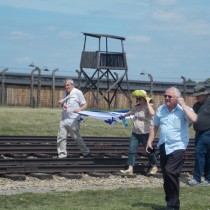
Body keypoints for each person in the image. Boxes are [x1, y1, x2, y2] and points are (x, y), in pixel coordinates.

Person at [146, 87, 197, 210]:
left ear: (177, 98)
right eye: (165, 96)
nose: (167, 98)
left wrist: (183, 104)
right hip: (164, 145)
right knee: (167, 175)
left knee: (170, 172)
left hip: (178, 146)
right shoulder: (161, 109)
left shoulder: (183, 109)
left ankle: (173, 205)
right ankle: (171, 203)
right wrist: (149, 141)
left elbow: (194, 119)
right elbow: (154, 126)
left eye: (170, 96)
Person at [120, 89, 158, 175]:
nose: (138, 99)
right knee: (132, 150)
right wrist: (124, 115)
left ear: (144, 98)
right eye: (138, 98)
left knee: (148, 150)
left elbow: (153, 113)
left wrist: (148, 102)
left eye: (140, 98)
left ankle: (154, 166)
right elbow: (132, 112)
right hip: (135, 132)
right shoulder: (137, 107)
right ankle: (130, 168)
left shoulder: (148, 107)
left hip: (145, 133)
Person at [57, 79, 91, 158]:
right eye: (65, 85)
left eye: (68, 85)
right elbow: (66, 106)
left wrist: (79, 109)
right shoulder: (65, 94)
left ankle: (86, 152)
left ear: (72, 85)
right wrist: (61, 104)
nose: (66, 87)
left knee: (76, 137)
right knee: (61, 137)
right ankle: (62, 155)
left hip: (73, 119)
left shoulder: (78, 92)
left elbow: (85, 104)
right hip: (64, 118)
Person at [188, 85, 210, 186]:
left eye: (199, 95)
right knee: (206, 155)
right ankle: (208, 178)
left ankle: (196, 178)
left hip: (207, 132)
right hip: (198, 133)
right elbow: (192, 118)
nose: (196, 97)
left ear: (204, 94)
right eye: (196, 95)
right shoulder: (196, 105)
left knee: (199, 152)